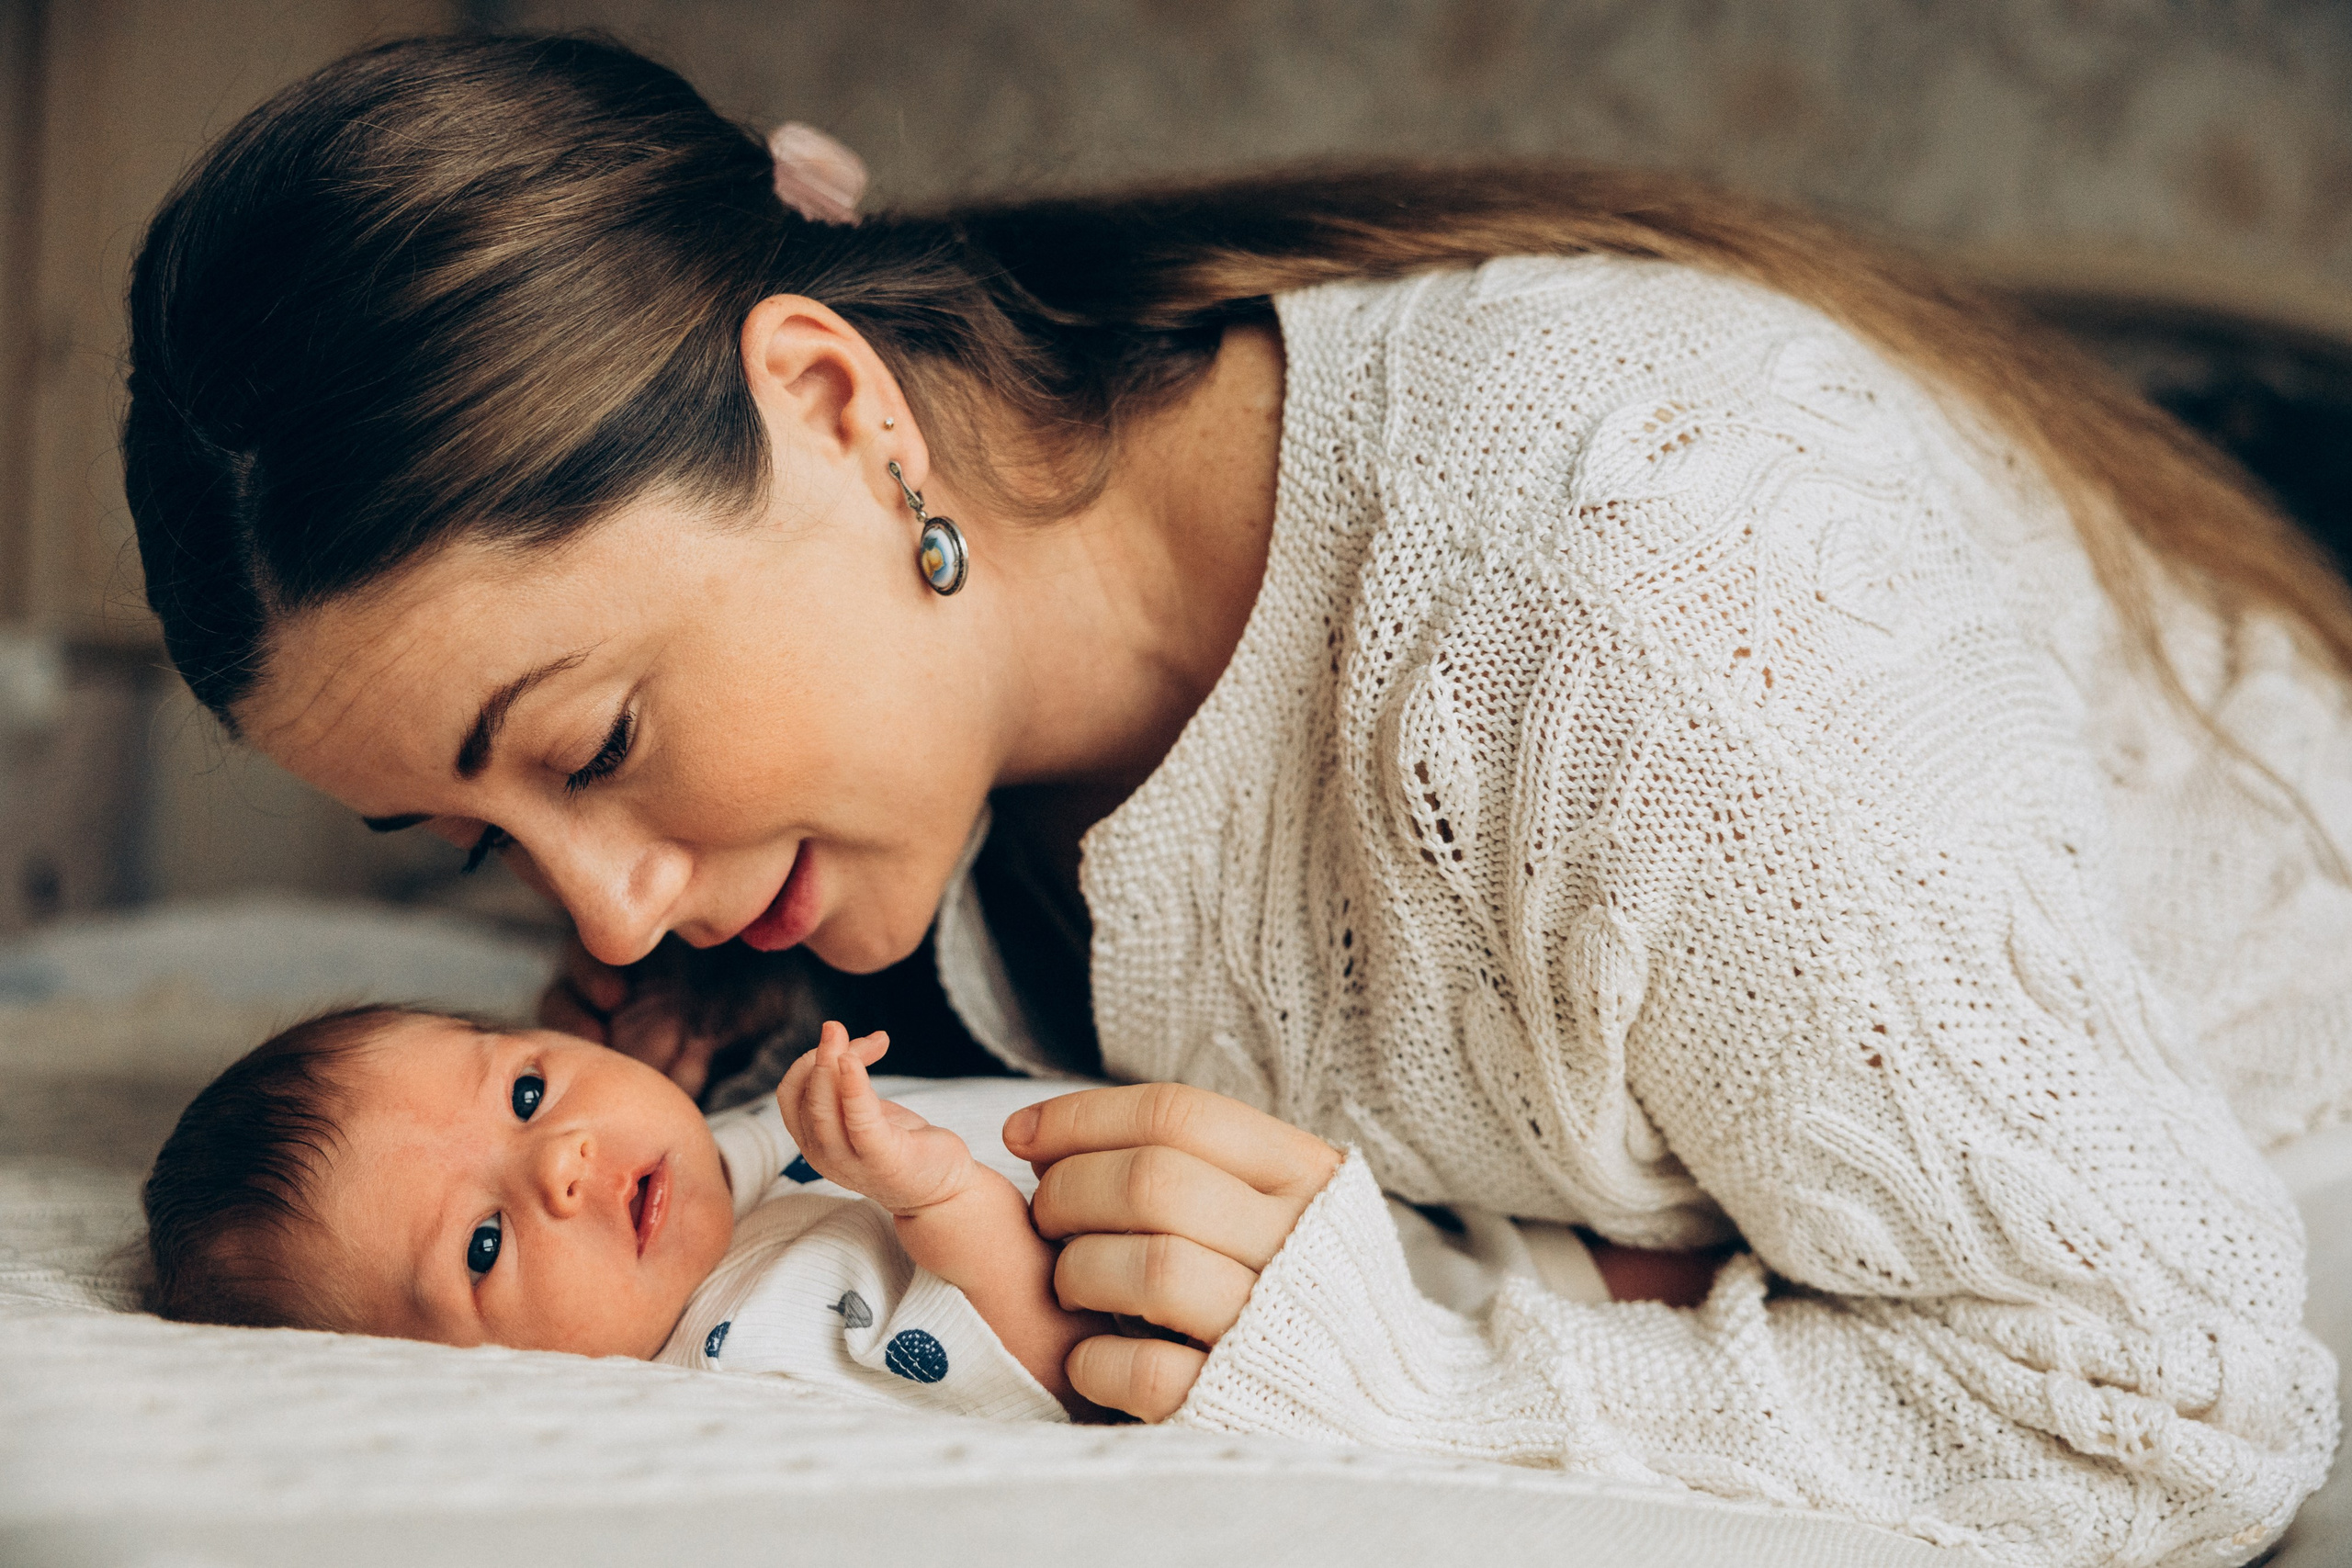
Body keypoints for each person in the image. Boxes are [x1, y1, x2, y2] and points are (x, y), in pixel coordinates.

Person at [119, 32, 2350, 1567]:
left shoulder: (1643, 607)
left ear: (832, 404)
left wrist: (1387, 1379)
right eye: (489, 836)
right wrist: (749, 1019)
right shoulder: (935, 768)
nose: (604, 916)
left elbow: (2172, 1404)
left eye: (595, 744)